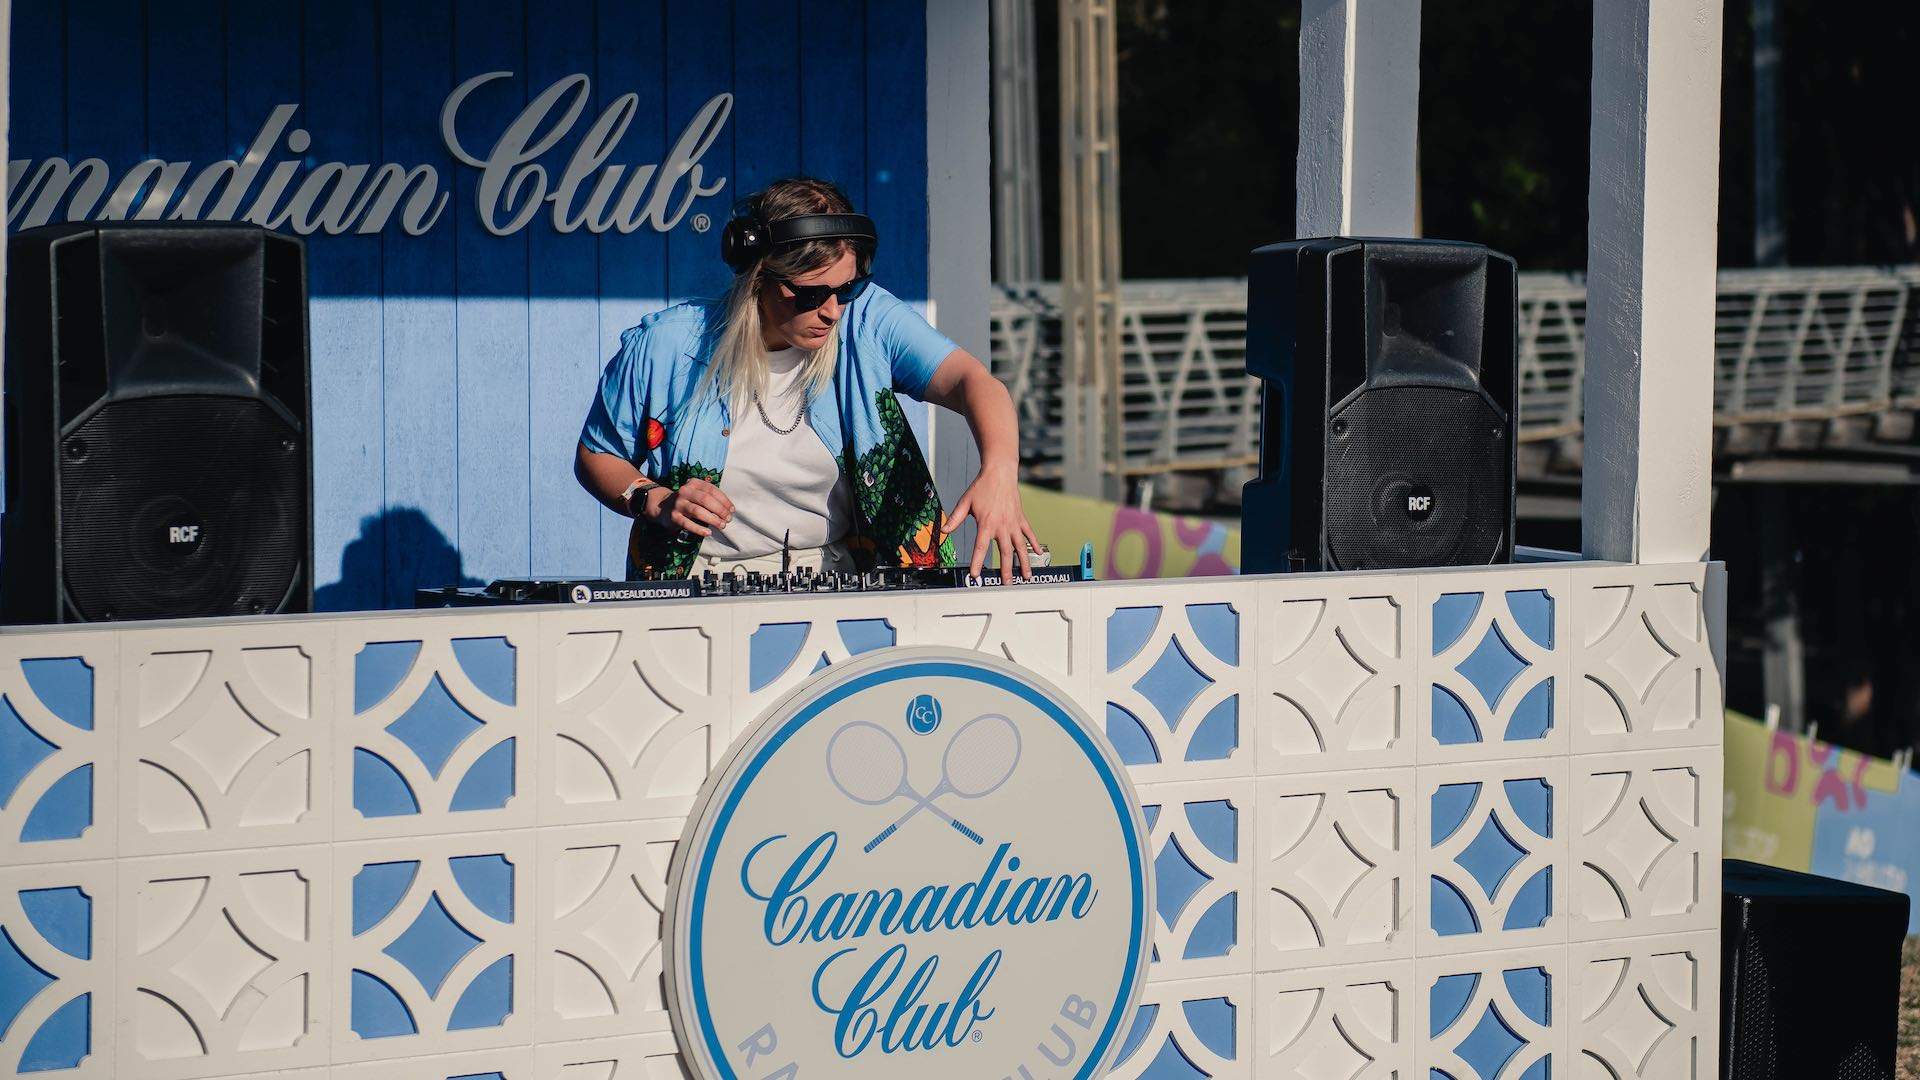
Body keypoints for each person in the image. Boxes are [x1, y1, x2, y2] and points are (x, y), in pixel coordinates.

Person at [575, 176, 1037, 581]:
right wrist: (653, 500)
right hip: (698, 584)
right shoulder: (667, 345)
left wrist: (1000, 469)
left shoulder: (868, 319)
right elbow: (597, 456)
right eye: (811, 293)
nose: (832, 311)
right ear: (757, 274)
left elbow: (974, 382)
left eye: (846, 288)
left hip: (845, 578)